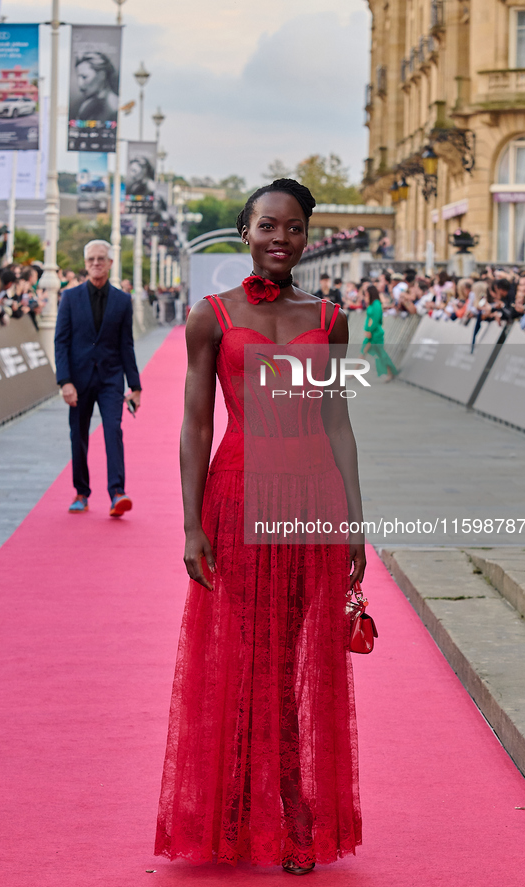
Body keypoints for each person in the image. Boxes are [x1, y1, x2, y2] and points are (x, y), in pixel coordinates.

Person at [155, 178, 366, 874]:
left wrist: (355, 523)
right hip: (238, 499)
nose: (282, 238)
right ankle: (263, 803)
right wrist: (190, 525)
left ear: (309, 236)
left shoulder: (331, 318)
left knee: (297, 658)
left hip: (311, 503)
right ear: (244, 232)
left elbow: (337, 418)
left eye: (296, 227)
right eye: (269, 226)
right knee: (249, 655)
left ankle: (281, 801)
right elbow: (193, 421)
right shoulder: (209, 316)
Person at [54, 240, 141, 516]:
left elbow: (126, 345)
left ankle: (117, 492)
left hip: (110, 378)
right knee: (78, 434)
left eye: (101, 258)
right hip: (78, 380)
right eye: (91, 259)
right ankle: (81, 492)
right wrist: (64, 381)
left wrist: (135, 386)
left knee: (113, 430)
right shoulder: (69, 298)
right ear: (85, 263)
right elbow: (61, 342)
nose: (96, 263)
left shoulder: (123, 300)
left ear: (110, 263)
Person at [361, 284, 398, 381]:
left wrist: (370, 330)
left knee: (380, 353)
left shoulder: (376, 304)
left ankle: (390, 372)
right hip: (371, 333)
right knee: (364, 351)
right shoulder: (372, 304)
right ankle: (353, 372)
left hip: (375, 333)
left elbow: (376, 319)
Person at [74, 52, 119, 122]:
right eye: (78, 77)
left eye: (84, 77)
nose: (80, 84)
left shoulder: (113, 107)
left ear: (102, 75)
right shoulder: (87, 105)